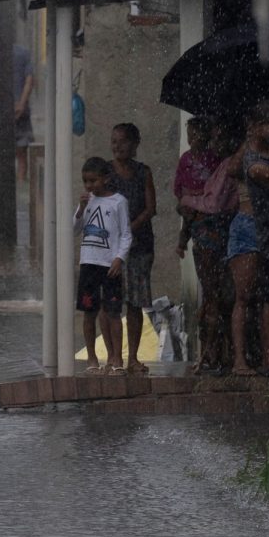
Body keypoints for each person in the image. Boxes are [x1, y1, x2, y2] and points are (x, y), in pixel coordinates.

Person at [174, 116, 230, 375]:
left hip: (212, 224)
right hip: (198, 225)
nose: (193, 139)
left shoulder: (216, 160)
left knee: (214, 294)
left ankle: (214, 352)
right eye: (190, 134)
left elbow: (217, 197)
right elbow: (181, 195)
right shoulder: (185, 161)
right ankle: (211, 351)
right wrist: (184, 234)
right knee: (211, 293)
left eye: (197, 134)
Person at [228, 102, 269, 378]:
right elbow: (240, 170)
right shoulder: (250, 157)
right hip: (248, 229)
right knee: (244, 296)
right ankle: (240, 360)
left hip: (268, 232)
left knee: (265, 296)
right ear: (259, 127)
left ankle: (266, 356)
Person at [103, 122, 156, 374]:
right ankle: (114, 356)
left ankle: (133, 357)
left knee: (134, 304)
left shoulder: (143, 172)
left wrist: (129, 229)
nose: (117, 146)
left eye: (122, 141)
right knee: (110, 303)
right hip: (111, 249)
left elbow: (150, 208)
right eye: (114, 141)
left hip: (139, 246)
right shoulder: (106, 173)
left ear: (135, 144)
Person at [75, 157, 132, 376]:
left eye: (93, 180)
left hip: (110, 265)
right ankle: (91, 357)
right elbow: (75, 228)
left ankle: (116, 357)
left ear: (106, 178)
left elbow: (126, 234)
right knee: (89, 312)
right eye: (85, 181)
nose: (89, 186)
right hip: (89, 264)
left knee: (113, 311)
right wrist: (80, 209)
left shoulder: (118, 202)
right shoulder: (86, 201)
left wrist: (120, 258)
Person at [14, 44, 35, 183]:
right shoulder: (23, 53)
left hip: (1, 112)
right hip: (21, 111)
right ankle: (21, 183)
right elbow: (30, 80)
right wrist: (21, 103)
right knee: (22, 154)